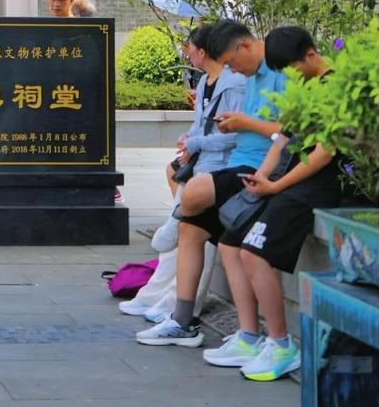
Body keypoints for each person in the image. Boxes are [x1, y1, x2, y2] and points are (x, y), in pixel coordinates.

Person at [135, 19, 286, 350]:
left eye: (233, 63)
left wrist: (244, 123)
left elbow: (286, 132)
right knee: (203, 236)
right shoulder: (249, 76)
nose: (235, 71)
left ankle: (174, 218)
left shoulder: (279, 75)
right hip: (236, 164)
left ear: (243, 46)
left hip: (255, 167)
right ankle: (184, 321)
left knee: (195, 194)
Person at [204, 25, 342, 381]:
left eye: (294, 69)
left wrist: (276, 184)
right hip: (286, 180)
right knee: (233, 240)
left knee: (253, 251)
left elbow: (324, 154)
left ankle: (281, 344)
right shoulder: (306, 86)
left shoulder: (336, 88)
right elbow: (283, 139)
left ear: (311, 55)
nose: (290, 77)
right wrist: (263, 180)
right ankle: (252, 337)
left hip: (315, 187)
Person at [121, 22, 245, 324]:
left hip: (223, 168)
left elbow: (235, 135)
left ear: (204, 51)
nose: (186, 53)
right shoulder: (205, 83)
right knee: (183, 236)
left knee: (188, 231)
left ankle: (176, 306)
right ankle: (157, 298)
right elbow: (201, 125)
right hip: (203, 164)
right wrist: (189, 139)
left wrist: (196, 142)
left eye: (189, 47)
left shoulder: (236, 85)